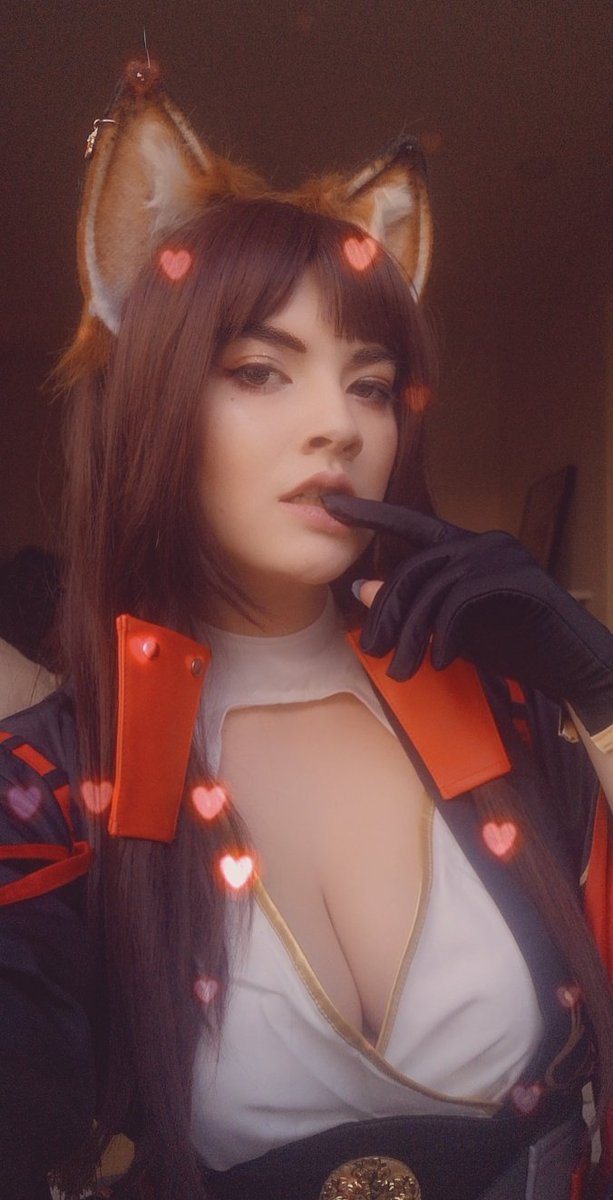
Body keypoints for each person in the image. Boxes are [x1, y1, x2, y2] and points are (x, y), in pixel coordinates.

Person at [0, 61, 612, 1200]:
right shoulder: (50, 786)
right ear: (149, 397)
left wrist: (605, 699)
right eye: (258, 370)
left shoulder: (509, 717)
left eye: (370, 386)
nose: (337, 424)